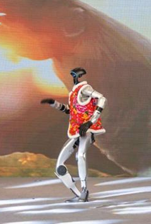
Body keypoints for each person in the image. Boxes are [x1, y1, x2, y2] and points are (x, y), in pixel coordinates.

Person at [40, 67, 106, 203]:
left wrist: (90, 122)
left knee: (80, 155)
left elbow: (102, 99)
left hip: (86, 130)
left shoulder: (85, 88)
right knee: (59, 166)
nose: (74, 78)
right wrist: (54, 104)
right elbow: (71, 111)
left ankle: (84, 189)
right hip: (77, 132)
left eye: (75, 75)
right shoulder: (74, 94)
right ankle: (79, 194)